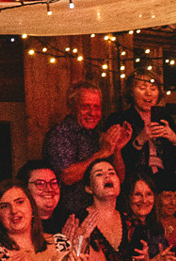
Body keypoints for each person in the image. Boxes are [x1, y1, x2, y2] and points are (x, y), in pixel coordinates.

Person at [45, 81, 130, 220]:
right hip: (71, 219)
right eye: (85, 107)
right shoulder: (60, 134)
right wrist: (102, 153)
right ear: (72, 107)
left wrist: (117, 150)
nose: (92, 113)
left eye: (97, 107)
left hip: (102, 216)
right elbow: (67, 177)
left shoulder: (98, 135)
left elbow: (119, 179)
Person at [102, 75, 176, 185]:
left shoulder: (166, 120)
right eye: (142, 88)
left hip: (164, 185)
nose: (148, 93)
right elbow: (113, 161)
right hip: (132, 184)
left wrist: (175, 141)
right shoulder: (119, 119)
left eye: (153, 89)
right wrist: (139, 141)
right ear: (131, 92)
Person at [16, 158, 63, 230]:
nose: (49, 189)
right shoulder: (18, 224)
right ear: (24, 189)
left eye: (53, 183)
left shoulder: (71, 219)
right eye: (40, 184)